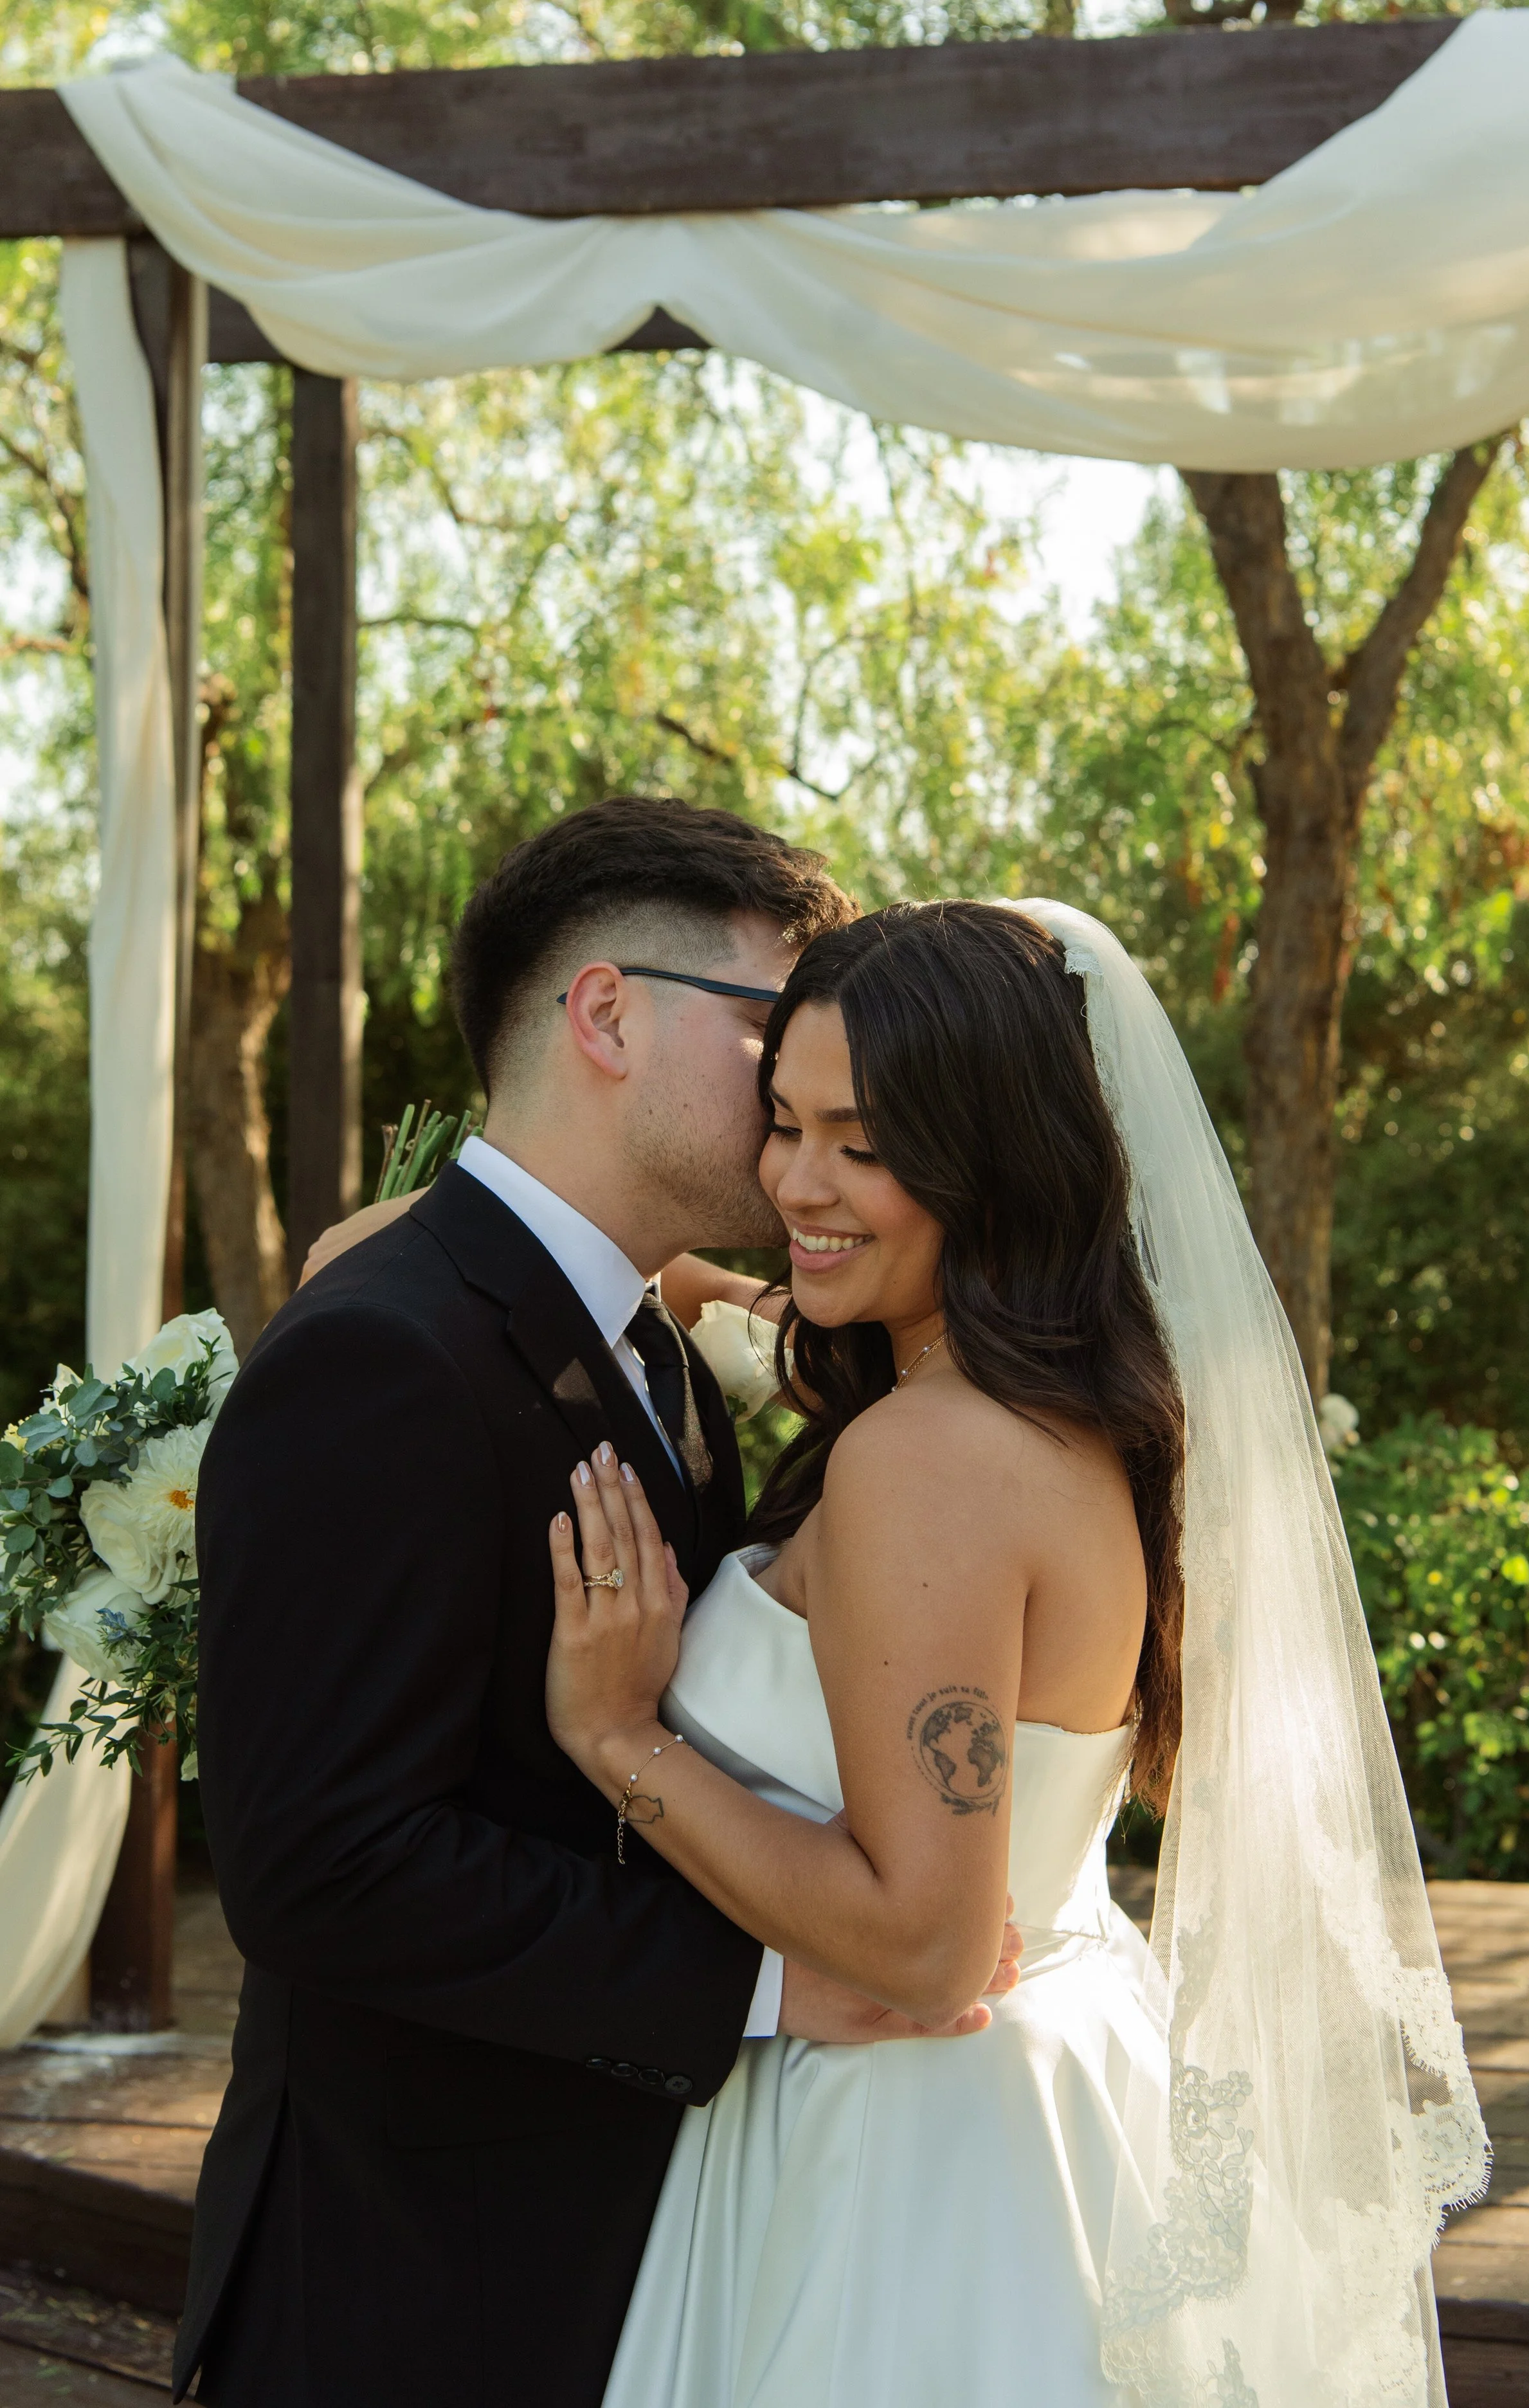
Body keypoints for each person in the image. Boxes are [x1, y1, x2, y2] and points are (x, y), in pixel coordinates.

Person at [537, 899, 1492, 2408]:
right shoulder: (1060, 1411)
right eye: (782, 1124)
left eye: (863, 1142)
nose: (796, 1182)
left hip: (901, 2172)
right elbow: (759, 1307)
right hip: (1048, 2096)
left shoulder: (924, 1462)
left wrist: (618, 1740)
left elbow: (923, 1944)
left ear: (989, 1157)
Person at [176, 801, 1022, 2408]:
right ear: (607, 1014)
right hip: (419, 2287)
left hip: (626, 2255)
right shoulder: (382, 1358)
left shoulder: (639, 1337)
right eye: (772, 1032)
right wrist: (769, 1984)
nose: (800, 1091)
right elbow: (319, 1866)